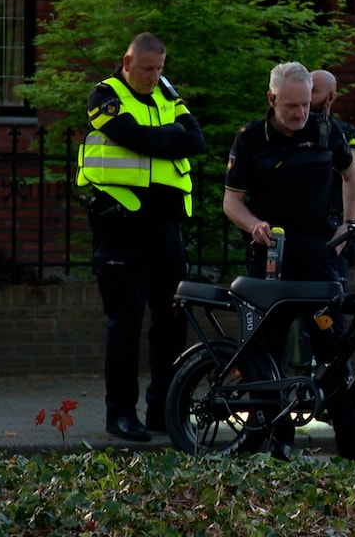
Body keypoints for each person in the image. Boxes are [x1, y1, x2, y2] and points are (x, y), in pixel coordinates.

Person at [223, 62, 355, 459]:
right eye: (291, 106)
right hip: (271, 255)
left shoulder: (325, 130)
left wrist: (347, 226)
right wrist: (253, 225)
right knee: (267, 351)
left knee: (334, 349)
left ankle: (351, 446)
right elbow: (231, 201)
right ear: (272, 99)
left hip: (318, 254)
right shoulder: (250, 139)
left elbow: (351, 177)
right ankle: (276, 438)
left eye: (305, 104)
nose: (301, 113)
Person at [77, 32, 206, 442]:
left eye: (159, 69)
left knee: (171, 321)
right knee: (126, 322)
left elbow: (197, 140)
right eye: (147, 68)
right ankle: (120, 414)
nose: (154, 76)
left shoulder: (167, 94)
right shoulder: (105, 95)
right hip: (122, 227)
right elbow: (136, 138)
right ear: (127, 62)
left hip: (166, 229)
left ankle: (163, 410)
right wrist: (170, 137)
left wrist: (162, 138)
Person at [311, 69, 355, 289]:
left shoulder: (349, 134)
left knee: (333, 299)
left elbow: (352, 166)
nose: (307, 95)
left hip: (332, 229)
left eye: (314, 91)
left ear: (331, 97)